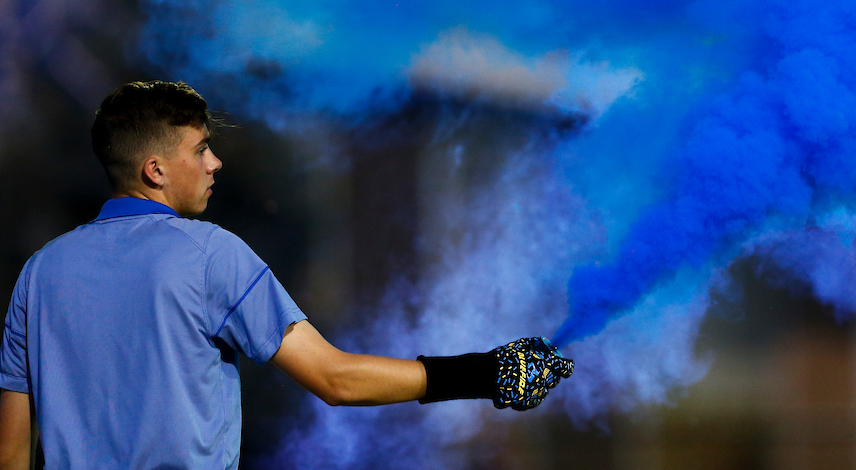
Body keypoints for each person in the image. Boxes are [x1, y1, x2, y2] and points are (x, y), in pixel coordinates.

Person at [0, 81, 572, 469]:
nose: (214, 162)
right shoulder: (209, 255)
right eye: (200, 150)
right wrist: (488, 373)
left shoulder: (39, 272)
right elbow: (336, 380)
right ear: (154, 169)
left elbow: (12, 450)